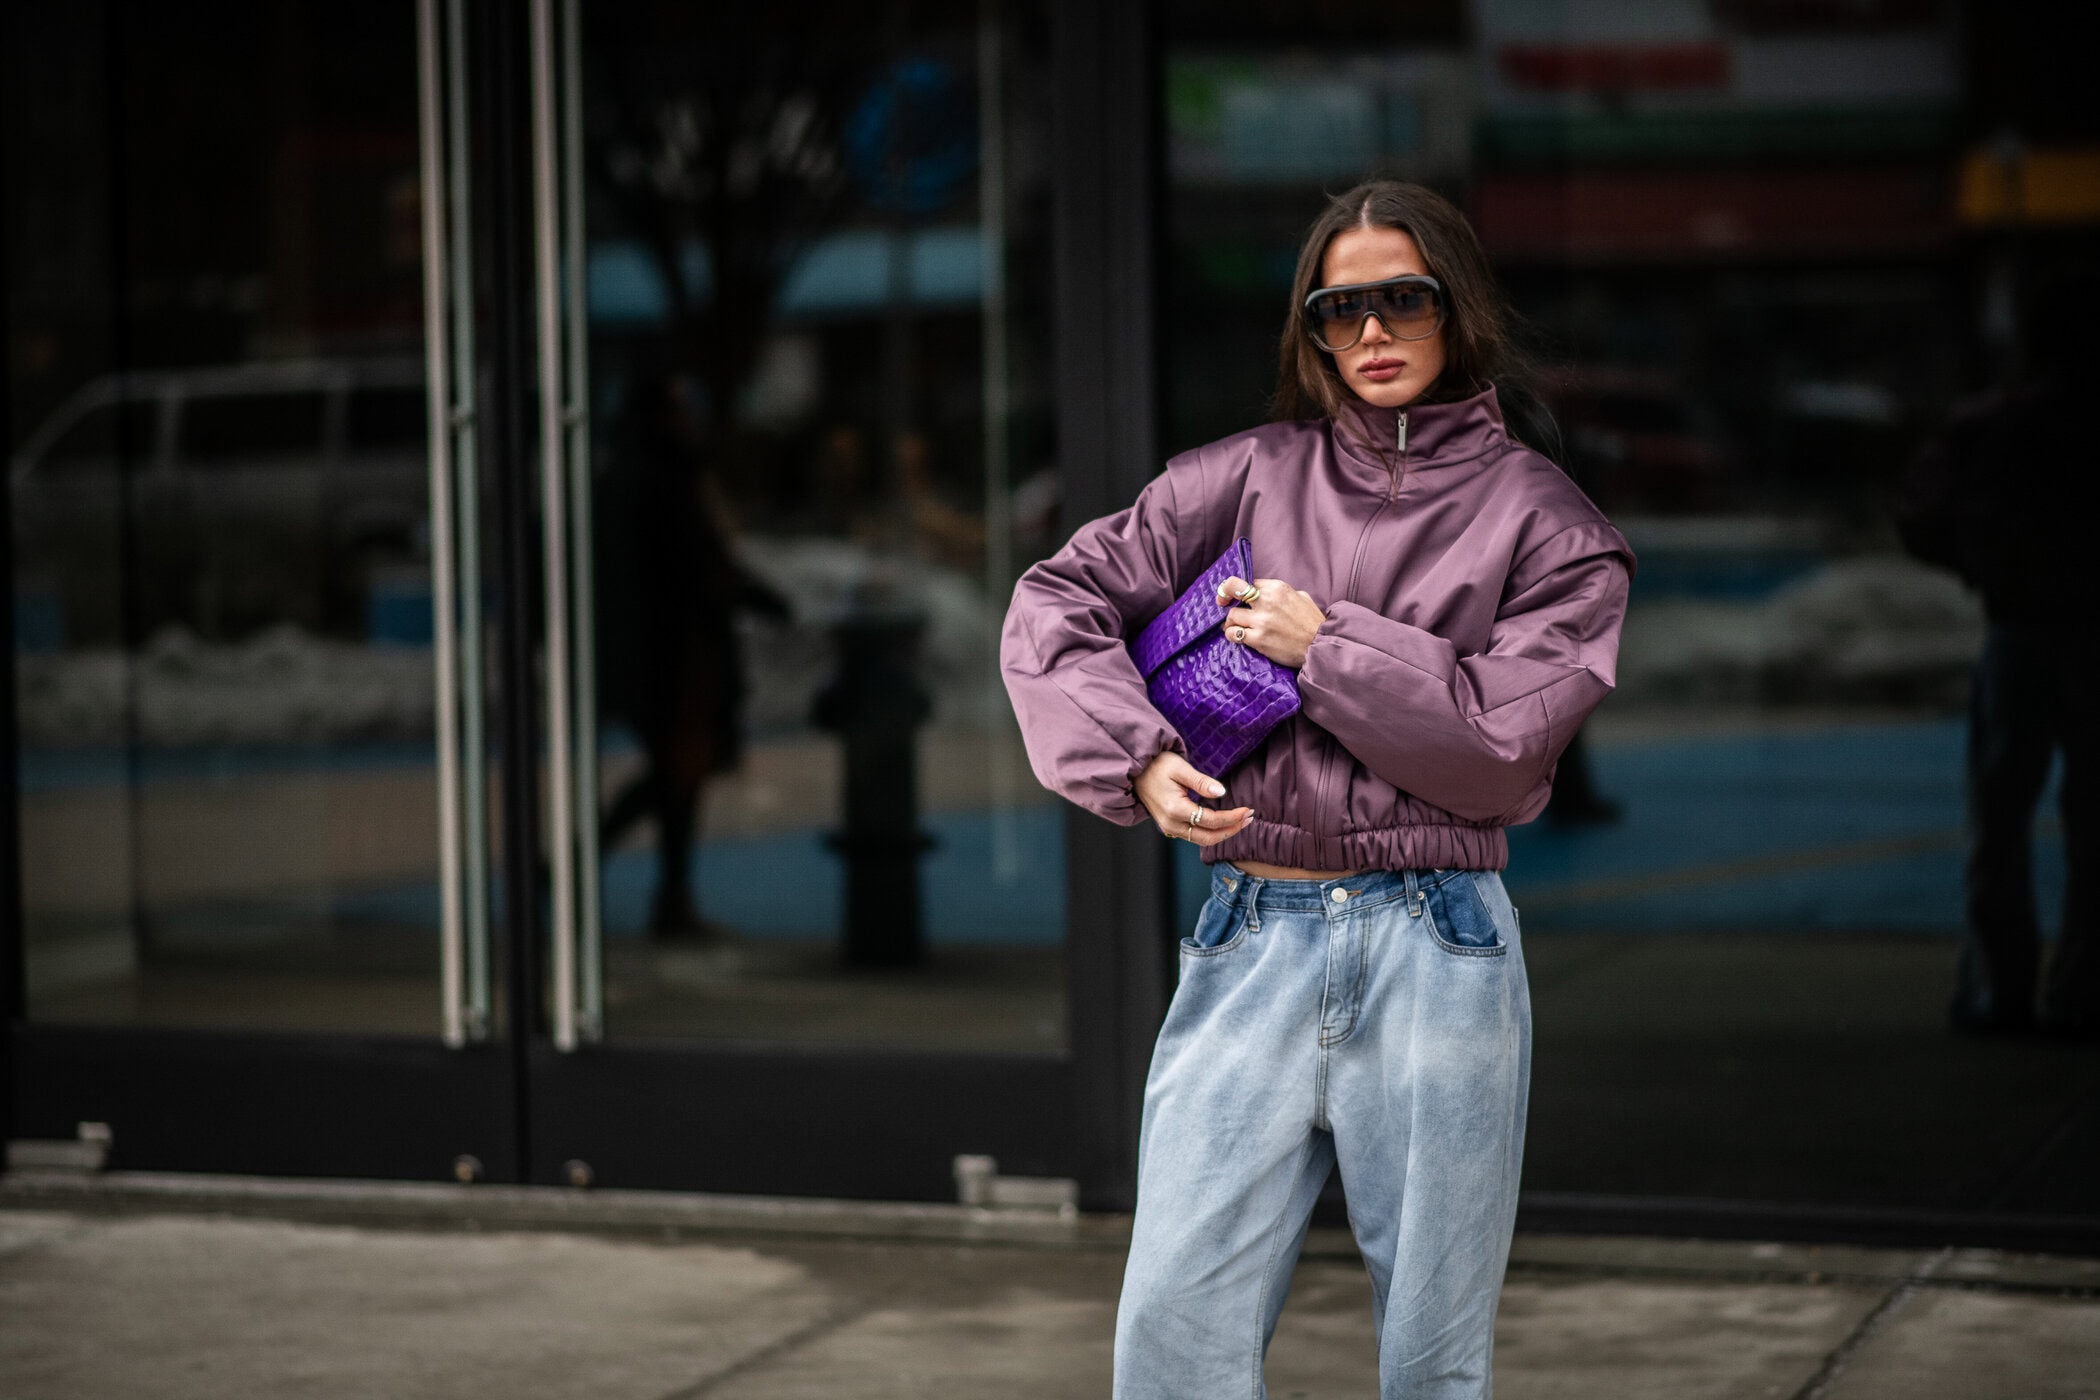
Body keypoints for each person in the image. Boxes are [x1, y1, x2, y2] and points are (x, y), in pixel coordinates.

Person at [1000, 181, 1633, 1398]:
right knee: (1172, 1333)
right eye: (1340, 310)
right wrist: (1133, 751)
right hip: (1251, 931)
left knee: (1434, 1355)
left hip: (1438, 947)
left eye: (1405, 298)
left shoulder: (1546, 523)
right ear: (1312, 330)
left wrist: (1322, 644)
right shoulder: (1238, 479)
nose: (1374, 334)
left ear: (1459, 309)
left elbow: (1498, 750)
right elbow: (1053, 603)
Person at [1896, 267, 2098, 1039]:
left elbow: (1920, 512)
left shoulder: (1996, 424)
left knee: (2001, 816)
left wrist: (1987, 565)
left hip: (2019, 627)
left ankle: (1998, 988)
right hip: (2083, 630)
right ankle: (2081, 987)